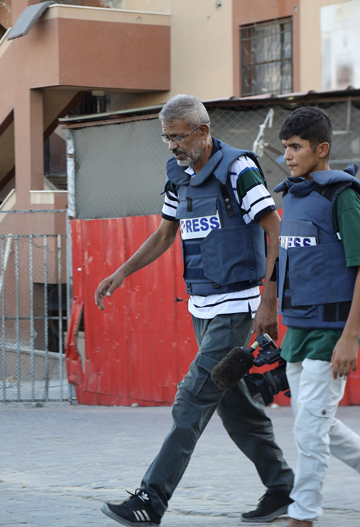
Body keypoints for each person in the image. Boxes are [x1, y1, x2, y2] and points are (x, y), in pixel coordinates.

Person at [95, 94, 294, 526]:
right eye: (166, 138)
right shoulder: (179, 176)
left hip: (237, 308)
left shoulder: (239, 171)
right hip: (202, 308)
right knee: (235, 407)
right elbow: (164, 235)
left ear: (203, 131)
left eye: (178, 137)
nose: (172, 145)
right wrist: (121, 272)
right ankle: (282, 489)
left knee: (192, 398)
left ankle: (151, 499)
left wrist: (269, 299)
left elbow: (277, 232)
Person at [275, 106, 360, 527]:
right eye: (285, 148)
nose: (288, 156)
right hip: (297, 331)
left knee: (309, 430)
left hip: (333, 333)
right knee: (316, 424)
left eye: (296, 147)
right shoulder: (293, 195)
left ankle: (303, 516)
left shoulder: (343, 197)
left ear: (322, 149)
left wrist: (351, 336)